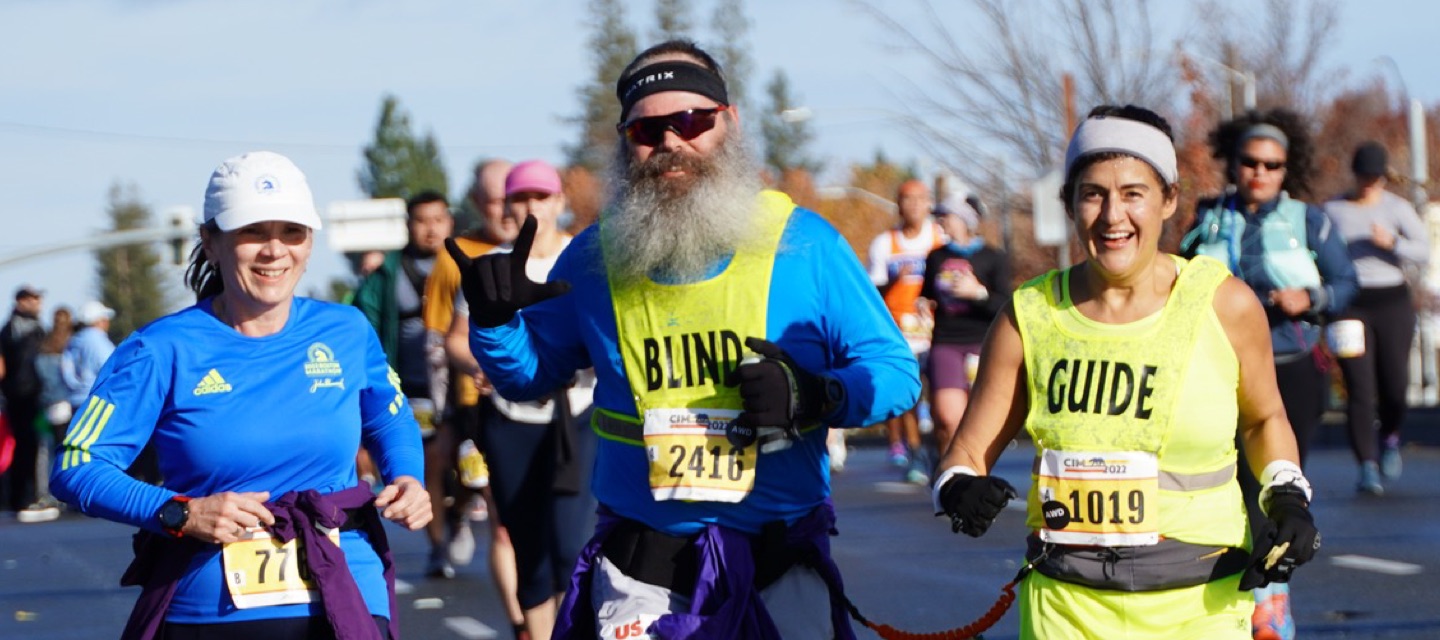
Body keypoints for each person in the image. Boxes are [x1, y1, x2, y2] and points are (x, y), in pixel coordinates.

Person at [447, 40, 919, 640]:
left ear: (731, 123)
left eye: (693, 121)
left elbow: (894, 372)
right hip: (643, 566)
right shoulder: (595, 256)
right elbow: (530, 374)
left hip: (779, 558)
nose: (671, 142)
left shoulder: (805, 245)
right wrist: (494, 321)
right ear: (625, 141)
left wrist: (815, 395)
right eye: (647, 129)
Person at [934, 105, 1321, 639]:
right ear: (1069, 204)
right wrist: (956, 489)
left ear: (1169, 200)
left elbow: (1263, 419)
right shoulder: (1030, 315)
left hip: (1199, 607)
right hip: (1065, 609)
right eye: (1093, 193)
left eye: (1133, 193)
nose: (1113, 216)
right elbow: (966, 454)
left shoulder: (1223, 304)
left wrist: (1286, 494)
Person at [50, 150, 431, 640]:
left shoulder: (346, 330)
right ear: (210, 242)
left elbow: (387, 419)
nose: (275, 250)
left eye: (291, 232)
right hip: (209, 609)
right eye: (253, 232)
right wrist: (182, 512)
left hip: (346, 593)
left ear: (310, 243)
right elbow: (77, 466)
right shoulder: (160, 348)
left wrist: (409, 479)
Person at [1179, 110, 1355, 639]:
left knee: (1277, 481)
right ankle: (1248, 595)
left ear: (1286, 169)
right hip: (1218, 365)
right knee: (1232, 481)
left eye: (1272, 165)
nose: (1260, 172)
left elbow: (1346, 281)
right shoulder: (1208, 217)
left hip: (1291, 364)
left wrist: (1312, 298)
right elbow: (1174, 275)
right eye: (1250, 162)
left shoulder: (1310, 221)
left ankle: (1274, 594)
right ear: (1233, 164)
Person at [446, 160, 598, 640]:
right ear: (506, 206)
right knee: (528, 552)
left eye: (541, 196)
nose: (531, 207)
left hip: (580, 415)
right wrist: (482, 363)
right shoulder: (492, 266)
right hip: (512, 418)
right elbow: (455, 338)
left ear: (559, 201)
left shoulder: (587, 258)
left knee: (574, 548)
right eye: (520, 198)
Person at [423, 158, 530, 638]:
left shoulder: (555, 253)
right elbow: (441, 339)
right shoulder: (456, 258)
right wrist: (448, 408)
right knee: (503, 519)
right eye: (494, 199)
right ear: (478, 203)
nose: (505, 209)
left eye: (514, 197)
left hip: (559, 412)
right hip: (478, 404)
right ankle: (522, 624)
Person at [353, 189, 458, 579]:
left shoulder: (467, 261)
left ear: (450, 221)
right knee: (430, 461)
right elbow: (365, 328)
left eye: (438, 219)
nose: (431, 229)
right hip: (412, 386)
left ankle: (460, 513)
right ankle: (438, 546)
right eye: (422, 220)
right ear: (408, 226)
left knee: (471, 465)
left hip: (462, 385)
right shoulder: (385, 275)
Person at [1323, 141, 1430, 495]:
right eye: (1365, 176)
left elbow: (1424, 251)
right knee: (1359, 387)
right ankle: (1366, 465)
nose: (1370, 184)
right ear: (1355, 175)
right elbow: (1316, 250)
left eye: (1376, 178)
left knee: (1394, 385)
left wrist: (1393, 243)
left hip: (1392, 301)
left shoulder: (1396, 209)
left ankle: (1390, 437)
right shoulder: (1333, 210)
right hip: (1351, 303)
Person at [918, 195, 1010, 460]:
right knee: (949, 418)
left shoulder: (993, 258)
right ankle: (949, 471)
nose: (940, 222)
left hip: (985, 343)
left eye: (945, 216)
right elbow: (928, 294)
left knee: (979, 422)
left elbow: (1005, 304)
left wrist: (978, 294)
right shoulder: (935, 257)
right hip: (946, 341)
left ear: (964, 221)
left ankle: (970, 473)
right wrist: (925, 303)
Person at [868, 178, 947, 482]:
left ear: (928, 203)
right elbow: (871, 290)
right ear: (898, 204)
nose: (914, 205)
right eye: (907, 199)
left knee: (941, 394)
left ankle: (941, 450)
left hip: (937, 329)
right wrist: (893, 279)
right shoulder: (884, 243)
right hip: (900, 331)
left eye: (920, 199)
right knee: (910, 395)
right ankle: (915, 452)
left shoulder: (939, 237)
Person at [1, 284, 46, 518]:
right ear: (21, 301)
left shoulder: (37, 329)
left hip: (36, 397)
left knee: (37, 446)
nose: (37, 304)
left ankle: (30, 496)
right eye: (33, 299)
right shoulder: (11, 330)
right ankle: (22, 498)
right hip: (20, 397)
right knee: (23, 447)